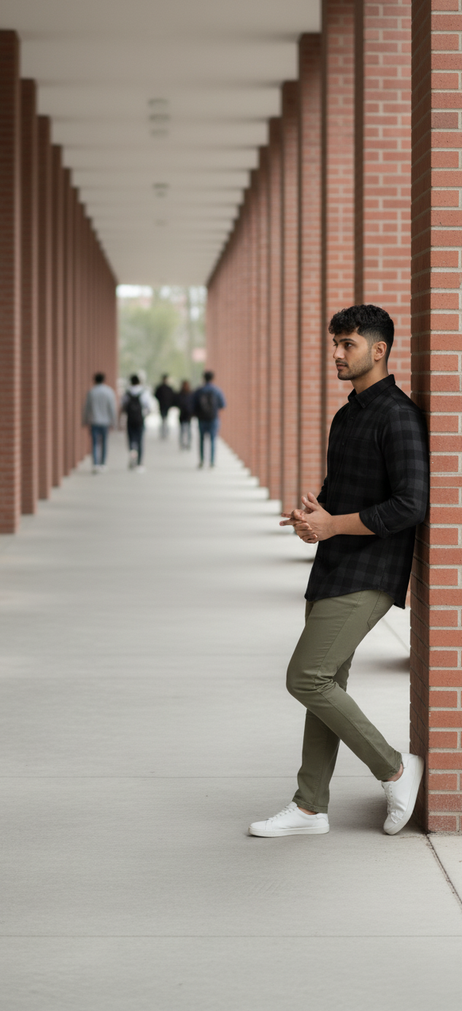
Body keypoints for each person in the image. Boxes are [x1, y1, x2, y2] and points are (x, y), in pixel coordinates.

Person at [249, 305, 429, 839]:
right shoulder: (348, 413)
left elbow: (410, 504)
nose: (336, 354)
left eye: (347, 344)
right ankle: (310, 807)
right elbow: (341, 492)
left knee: (306, 677)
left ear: (379, 350)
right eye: (335, 343)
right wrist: (312, 519)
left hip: (370, 572)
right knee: (328, 683)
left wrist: (334, 525)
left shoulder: (398, 415)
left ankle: (395, 768)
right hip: (334, 566)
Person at [82, 372, 117, 474]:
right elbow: (112, 408)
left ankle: (95, 464)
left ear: (94, 380)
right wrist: (114, 422)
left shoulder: (92, 392)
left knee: (94, 443)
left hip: (94, 421)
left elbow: (86, 408)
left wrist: (84, 421)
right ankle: (103, 464)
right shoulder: (109, 392)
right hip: (105, 422)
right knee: (104, 443)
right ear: (104, 380)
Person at [192, 370, 226, 468]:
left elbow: (193, 405)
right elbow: (223, 405)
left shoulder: (199, 390)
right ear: (213, 378)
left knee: (202, 440)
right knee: (212, 440)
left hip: (201, 419)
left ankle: (202, 460)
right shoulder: (216, 390)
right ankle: (212, 461)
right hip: (213, 418)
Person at [121, 374, 152, 472]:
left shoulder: (127, 392)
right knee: (140, 441)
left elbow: (123, 406)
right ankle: (139, 463)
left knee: (131, 440)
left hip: (130, 420)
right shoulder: (144, 392)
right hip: (139, 420)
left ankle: (132, 456)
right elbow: (148, 407)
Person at [175, 379, 194, 450]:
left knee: (188, 430)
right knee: (182, 431)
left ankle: (188, 444)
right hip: (182, 414)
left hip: (188, 414)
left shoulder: (190, 393)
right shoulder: (180, 394)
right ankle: (182, 444)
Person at [154, 374, 175, 439]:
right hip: (165, 405)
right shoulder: (167, 388)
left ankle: (164, 433)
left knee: (164, 420)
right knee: (164, 420)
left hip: (164, 405)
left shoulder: (161, 388)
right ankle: (164, 433)